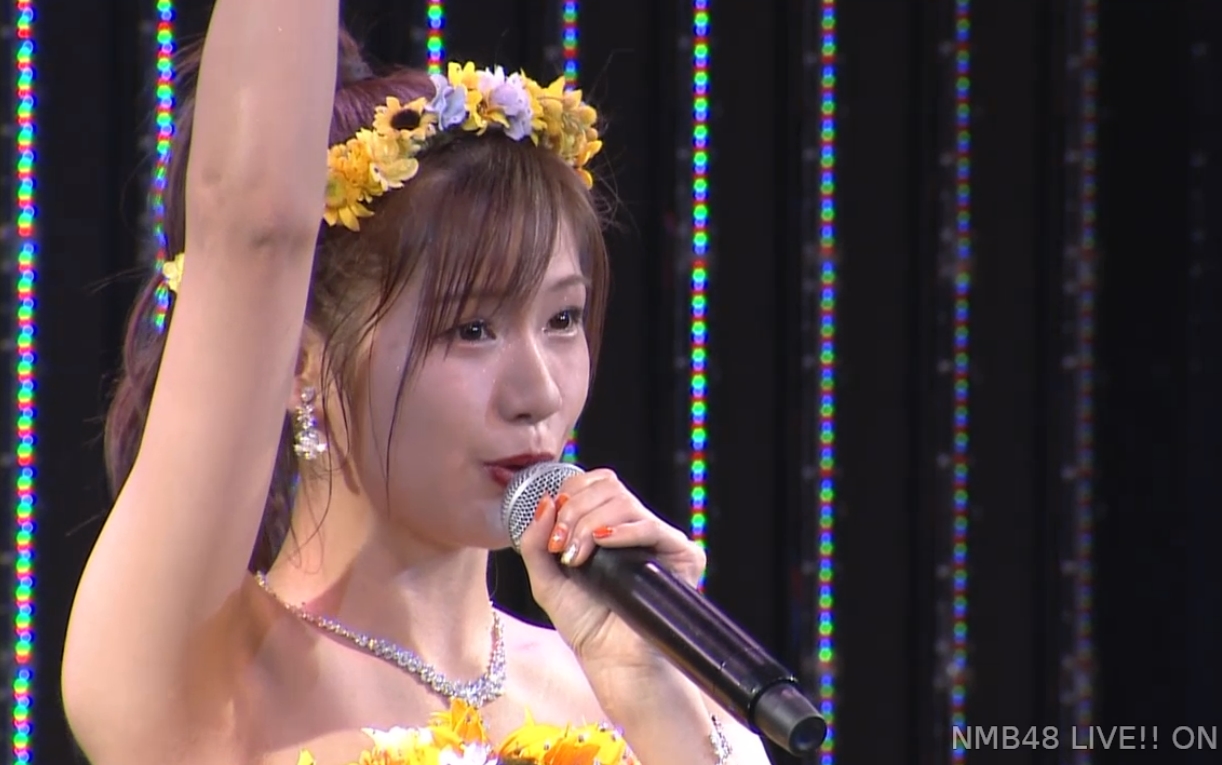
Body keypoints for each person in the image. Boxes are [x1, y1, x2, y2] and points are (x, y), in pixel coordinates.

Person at [61, 2, 769, 764]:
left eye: (563, 319)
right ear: (298, 361)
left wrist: (653, 693)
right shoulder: (202, 683)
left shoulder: (631, 684)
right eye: (471, 329)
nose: (538, 393)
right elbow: (256, 226)